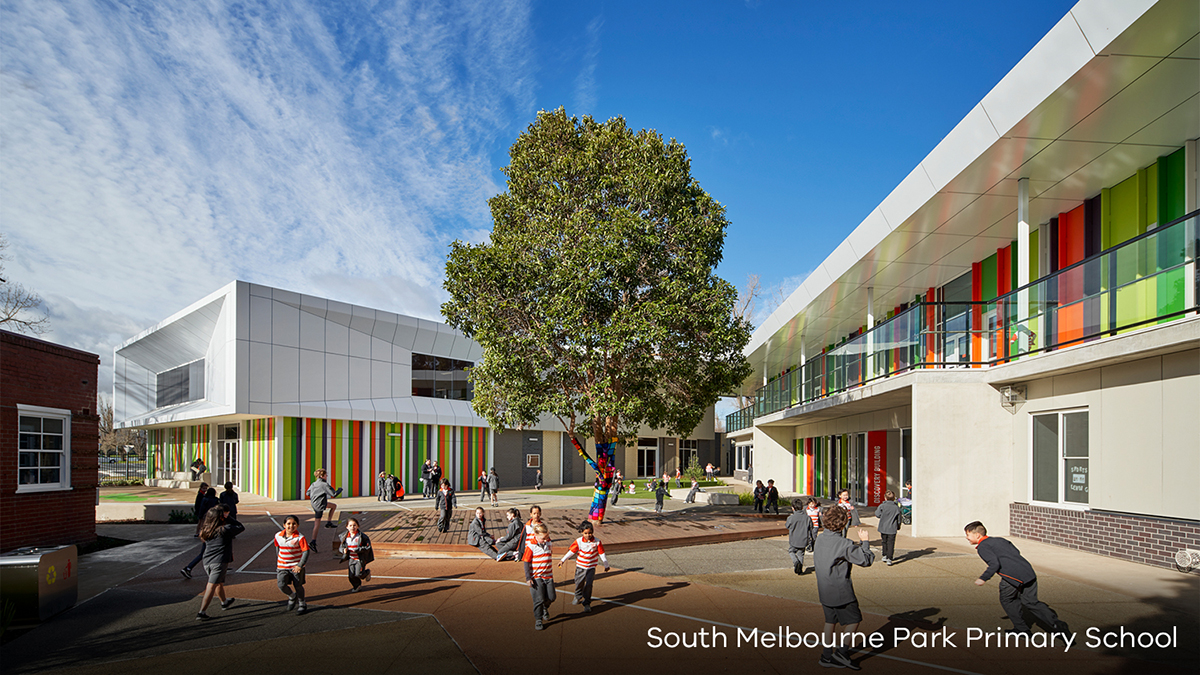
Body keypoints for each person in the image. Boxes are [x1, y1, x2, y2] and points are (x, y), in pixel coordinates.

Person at [966, 521, 1069, 637]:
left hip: (1012, 577)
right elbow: (1015, 552)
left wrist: (983, 578)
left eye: (968, 535)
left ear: (977, 535)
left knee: (1007, 600)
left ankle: (1022, 629)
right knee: (1031, 602)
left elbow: (994, 564)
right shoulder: (1000, 540)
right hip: (1028, 572)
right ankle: (1056, 624)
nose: (967, 537)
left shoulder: (983, 547)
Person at [814, 505, 872, 669]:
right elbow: (865, 560)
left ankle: (826, 655)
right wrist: (865, 542)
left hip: (824, 588)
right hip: (840, 591)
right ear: (843, 524)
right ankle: (842, 652)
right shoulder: (844, 543)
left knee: (829, 622)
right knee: (854, 619)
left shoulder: (820, 538)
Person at [195, 505, 245, 620]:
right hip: (219, 561)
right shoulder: (224, 530)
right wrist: (228, 517)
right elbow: (240, 527)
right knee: (211, 586)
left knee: (219, 582)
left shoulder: (205, 530)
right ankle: (201, 612)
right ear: (220, 518)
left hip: (207, 560)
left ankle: (224, 602)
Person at [558, 521, 609, 612]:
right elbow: (572, 552)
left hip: (591, 567)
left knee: (589, 584)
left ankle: (587, 602)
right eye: (585, 533)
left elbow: (601, 553)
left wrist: (606, 564)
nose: (588, 535)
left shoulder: (597, 541)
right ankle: (577, 596)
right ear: (582, 532)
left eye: (590, 533)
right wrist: (563, 560)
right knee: (579, 582)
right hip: (581, 566)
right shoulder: (578, 541)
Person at [274, 515, 309, 615]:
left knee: (298, 585)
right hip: (282, 566)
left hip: (296, 566)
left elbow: (306, 551)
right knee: (281, 584)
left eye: (294, 524)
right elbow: (277, 547)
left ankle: (302, 603)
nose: (291, 526)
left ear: (297, 525)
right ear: (284, 525)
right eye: (288, 523)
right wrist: (279, 559)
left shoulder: (300, 538)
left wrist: (300, 565)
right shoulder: (278, 536)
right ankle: (292, 596)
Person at [182, 487, 221, 578]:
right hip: (212, 528)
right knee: (205, 552)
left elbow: (201, 508)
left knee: (211, 550)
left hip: (207, 524)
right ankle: (188, 568)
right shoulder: (216, 501)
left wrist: (200, 517)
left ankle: (218, 566)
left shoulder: (205, 500)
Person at [523, 523, 555, 630]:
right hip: (536, 576)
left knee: (551, 597)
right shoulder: (531, 546)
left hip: (548, 576)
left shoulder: (549, 542)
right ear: (536, 535)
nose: (545, 540)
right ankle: (538, 619)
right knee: (539, 599)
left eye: (547, 537)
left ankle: (545, 608)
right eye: (542, 538)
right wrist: (528, 578)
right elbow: (526, 562)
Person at [306, 468, 340, 551]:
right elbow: (333, 494)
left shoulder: (313, 484)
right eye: (325, 475)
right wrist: (340, 490)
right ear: (322, 476)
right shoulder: (324, 484)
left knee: (333, 506)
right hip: (320, 505)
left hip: (315, 503)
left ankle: (329, 522)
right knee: (317, 523)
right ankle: (313, 542)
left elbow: (307, 493)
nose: (327, 476)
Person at [339, 517, 374, 592]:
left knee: (359, 574)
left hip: (360, 559)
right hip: (351, 558)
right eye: (350, 525)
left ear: (358, 526)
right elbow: (341, 547)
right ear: (347, 527)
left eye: (354, 525)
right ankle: (357, 586)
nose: (352, 527)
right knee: (351, 576)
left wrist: (359, 550)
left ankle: (367, 572)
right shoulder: (344, 537)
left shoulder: (362, 537)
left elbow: (368, 547)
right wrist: (343, 551)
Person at [786, 498, 816, 575]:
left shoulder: (791, 518)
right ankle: (800, 569)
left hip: (794, 539)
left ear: (793, 508)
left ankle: (796, 562)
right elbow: (811, 527)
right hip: (804, 539)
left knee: (791, 551)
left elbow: (787, 526)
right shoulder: (807, 518)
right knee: (801, 553)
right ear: (802, 507)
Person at [875, 490, 902, 565]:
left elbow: (877, 514)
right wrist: (898, 526)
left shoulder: (882, 506)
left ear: (885, 498)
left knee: (884, 541)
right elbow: (899, 519)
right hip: (892, 528)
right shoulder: (896, 508)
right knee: (891, 543)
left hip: (883, 527)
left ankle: (885, 555)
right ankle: (889, 558)